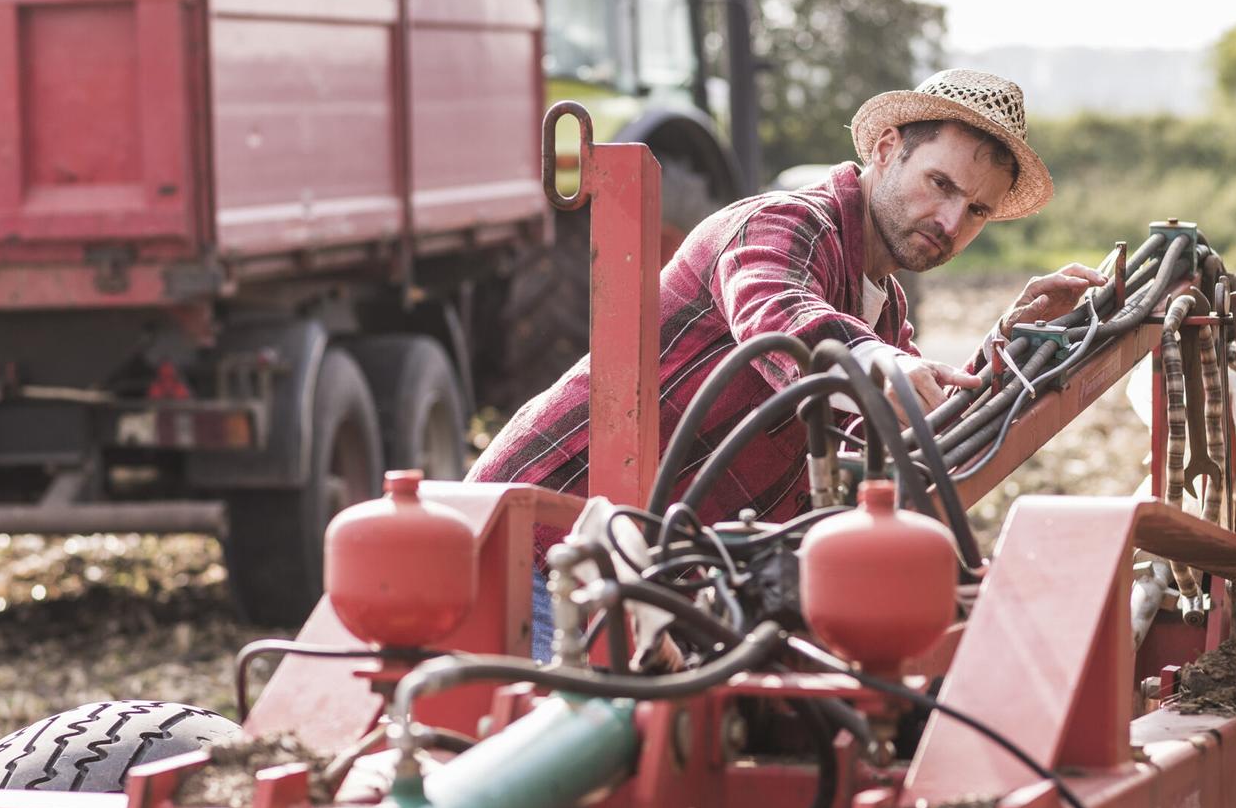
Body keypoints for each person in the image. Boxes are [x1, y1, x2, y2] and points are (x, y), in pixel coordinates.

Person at [467, 68, 1107, 526]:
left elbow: (905, 434)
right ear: (886, 152)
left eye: (976, 210)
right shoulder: (785, 223)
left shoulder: (882, 303)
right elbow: (779, 318)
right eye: (938, 183)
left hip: (648, 569)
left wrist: (1008, 342)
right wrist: (883, 363)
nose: (949, 221)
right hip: (544, 539)